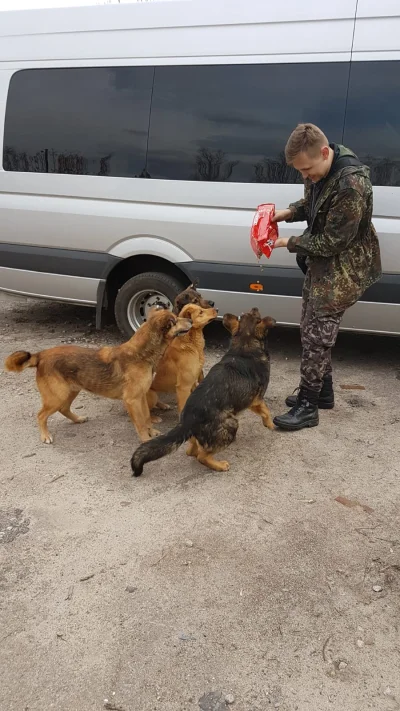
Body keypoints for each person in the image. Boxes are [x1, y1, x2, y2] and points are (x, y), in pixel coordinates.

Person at [271, 123, 382, 431]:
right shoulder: (321, 170)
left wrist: (287, 242)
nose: (306, 177)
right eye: (301, 173)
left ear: (324, 152)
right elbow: (315, 203)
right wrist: (288, 213)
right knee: (309, 324)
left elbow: (334, 241)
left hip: (342, 265)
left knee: (317, 333)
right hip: (322, 262)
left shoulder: (350, 185)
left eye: (307, 169)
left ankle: (308, 406)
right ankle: (323, 392)